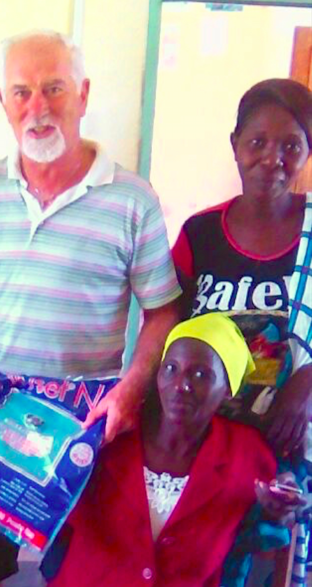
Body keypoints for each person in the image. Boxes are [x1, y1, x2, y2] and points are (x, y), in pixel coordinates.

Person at [0, 30, 181, 586]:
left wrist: (132, 387)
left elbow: (162, 311)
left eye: (54, 89)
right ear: (3, 102)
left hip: (84, 438)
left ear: (83, 94)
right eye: (21, 92)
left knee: (78, 577)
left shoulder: (133, 199)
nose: (37, 108)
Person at [0, 313, 304, 586]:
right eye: (171, 368)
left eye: (200, 374)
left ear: (228, 390)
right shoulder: (109, 430)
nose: (181, 384)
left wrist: (277, 512)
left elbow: (260, 538)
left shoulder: (247, 455)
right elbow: (28, 469)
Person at [171, 78, 312, 582]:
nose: (272, 159)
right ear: (235, 145)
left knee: (270, 557)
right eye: (257, 142)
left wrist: (305, 385)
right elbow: (170, 329)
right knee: (203, 561)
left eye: (291, 146)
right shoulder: (200, 233)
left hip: (290, 436)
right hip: (206, 435)